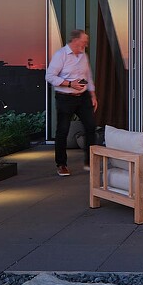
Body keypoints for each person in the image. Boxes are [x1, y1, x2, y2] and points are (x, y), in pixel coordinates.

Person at [46, 29, 98, 177]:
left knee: (91, 126)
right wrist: (69, 84)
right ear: (75, 40)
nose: (86, 44)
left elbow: (88, 76)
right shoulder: (60, 55)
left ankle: (90, 161)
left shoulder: (83, 56)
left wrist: (92, 95)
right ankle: (61, 164)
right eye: (84, 41)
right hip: (65, 98)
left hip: (83, 98)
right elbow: (49, 76)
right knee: (62, 130)